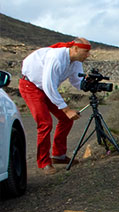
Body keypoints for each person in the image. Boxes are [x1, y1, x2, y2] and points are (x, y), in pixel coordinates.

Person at [19, 37, 91, 175]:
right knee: (45, 123)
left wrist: (87, 84)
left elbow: (76, 81)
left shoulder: (76, 62)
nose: (88, 55)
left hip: (47, 88)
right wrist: (66, 109)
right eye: (85, 52)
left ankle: (58, 156)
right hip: (31, 86)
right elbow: (48, 85)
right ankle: (44, 162)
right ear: (75, 49)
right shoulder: (57, 58)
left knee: (66, 119)